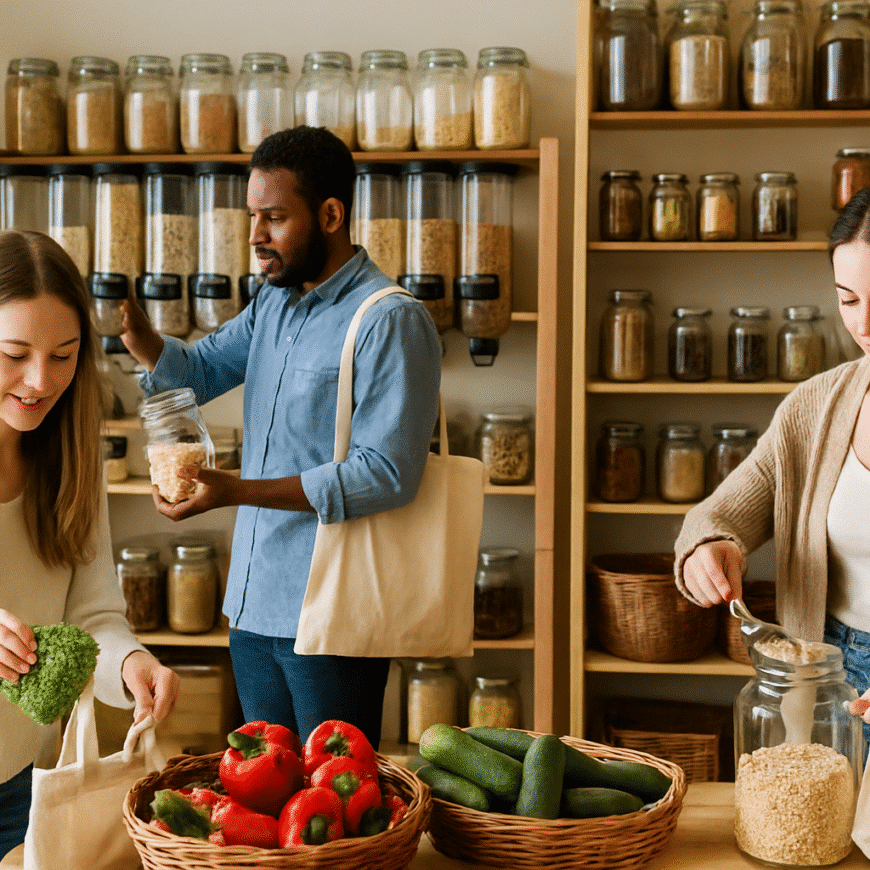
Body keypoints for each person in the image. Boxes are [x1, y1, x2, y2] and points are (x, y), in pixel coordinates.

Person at [120, 125, 441, 748]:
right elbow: (203, 370)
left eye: (273, 217)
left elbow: (387, 474)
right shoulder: (273, 305)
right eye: (251, 216)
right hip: (251, 604)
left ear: (330, 215)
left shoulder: (390, 319)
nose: (254, 237)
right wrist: (140, 338)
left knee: (333, 805)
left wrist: (237, 491)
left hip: (334, 609)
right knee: (264, 798)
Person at [0, 229, 178, 859]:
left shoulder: (71, 462)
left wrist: (130, 666)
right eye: (14, 354)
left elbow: (93, 617)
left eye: (64, 355)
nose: (38, 381)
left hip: (24, 781)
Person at [674, 186, 870, 740]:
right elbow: (720, 514)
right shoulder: (815, 406)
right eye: (849, 300)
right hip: (827, 680)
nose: (864, 325)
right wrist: (711, 548)